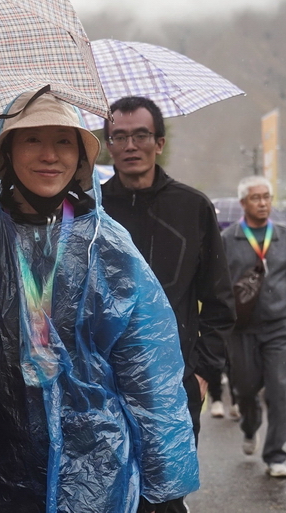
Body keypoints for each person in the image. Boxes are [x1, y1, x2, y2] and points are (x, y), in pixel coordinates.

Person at [0, 88, 199, 513]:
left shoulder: (107, 245)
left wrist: (165, 485)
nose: (50, 155)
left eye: (64, 140)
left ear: (81, 156)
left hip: (95, 468)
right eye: (32, 138)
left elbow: (148, 373)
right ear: (7, 151)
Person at [101, 96, 235, 446]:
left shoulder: (192, 208)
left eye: (141, 135)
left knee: (171, 481)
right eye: (119, 136)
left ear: (159, 143)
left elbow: (220, 300)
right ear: (108, 146)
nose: (131, 145)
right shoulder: (92, 211)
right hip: (104, 386)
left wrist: (203, 373)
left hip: (175, 385)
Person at [221, 175, 286, 479]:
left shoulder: (284, 237)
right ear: (243, 203)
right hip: (242, 328)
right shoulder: (229, 239)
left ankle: (275, 455)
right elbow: (219, 285)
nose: (262, 203)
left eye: (266, 197)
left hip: (280, 325)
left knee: (278, 389)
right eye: (255, 198)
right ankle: (250, 426)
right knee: (245, 389)